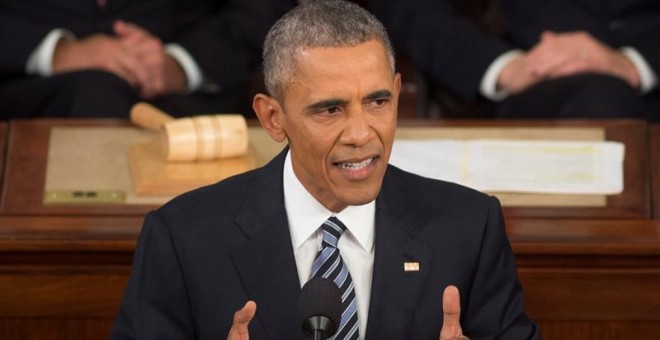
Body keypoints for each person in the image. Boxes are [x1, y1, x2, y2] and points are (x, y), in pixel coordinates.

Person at [111, 1, 539, 339]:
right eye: (330, 109)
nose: (361, 134)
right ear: (273, 118)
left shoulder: (468, 227)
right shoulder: (183, 238)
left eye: (377, 102)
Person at [0, 0, 294, 119]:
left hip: (188, 99)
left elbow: (261, 7)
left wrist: (179, 63)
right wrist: (57, 52)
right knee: (97, 91)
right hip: (23, 97)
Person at [370, 0, 660, 120]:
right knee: (597, 105)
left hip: (651, 81)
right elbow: (409, 6)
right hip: (530, 90)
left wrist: (635, 63)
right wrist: (502, 67)